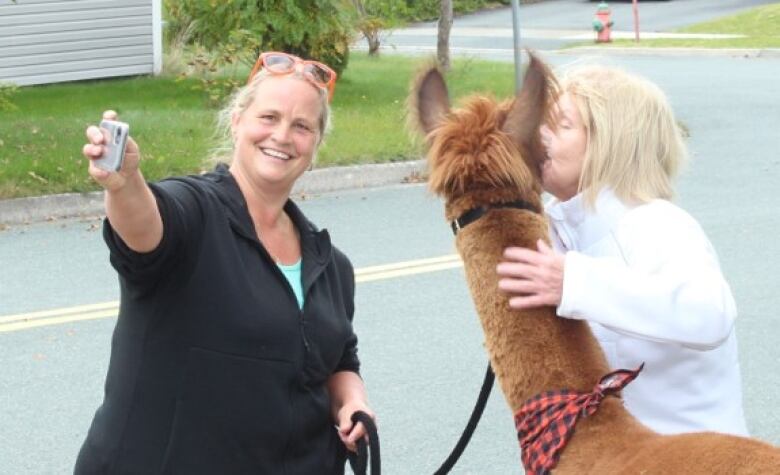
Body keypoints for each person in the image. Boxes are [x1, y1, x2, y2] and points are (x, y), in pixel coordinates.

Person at [75, 51, 374, 474]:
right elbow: (146, 230)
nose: (283, 136)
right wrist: (125, 187)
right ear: (237, 121)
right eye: (268, 117)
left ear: (316, 144)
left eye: (302, 126)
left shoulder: (330, 265)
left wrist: (352, 403)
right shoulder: (195, 212)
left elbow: (339, 361)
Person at [496, 64, 748, 436]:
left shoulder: (660, 224)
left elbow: (710, 314)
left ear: (611, 141)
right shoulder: (554, 226)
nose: (539, 136)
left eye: (561, 125)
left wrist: (575, 284)